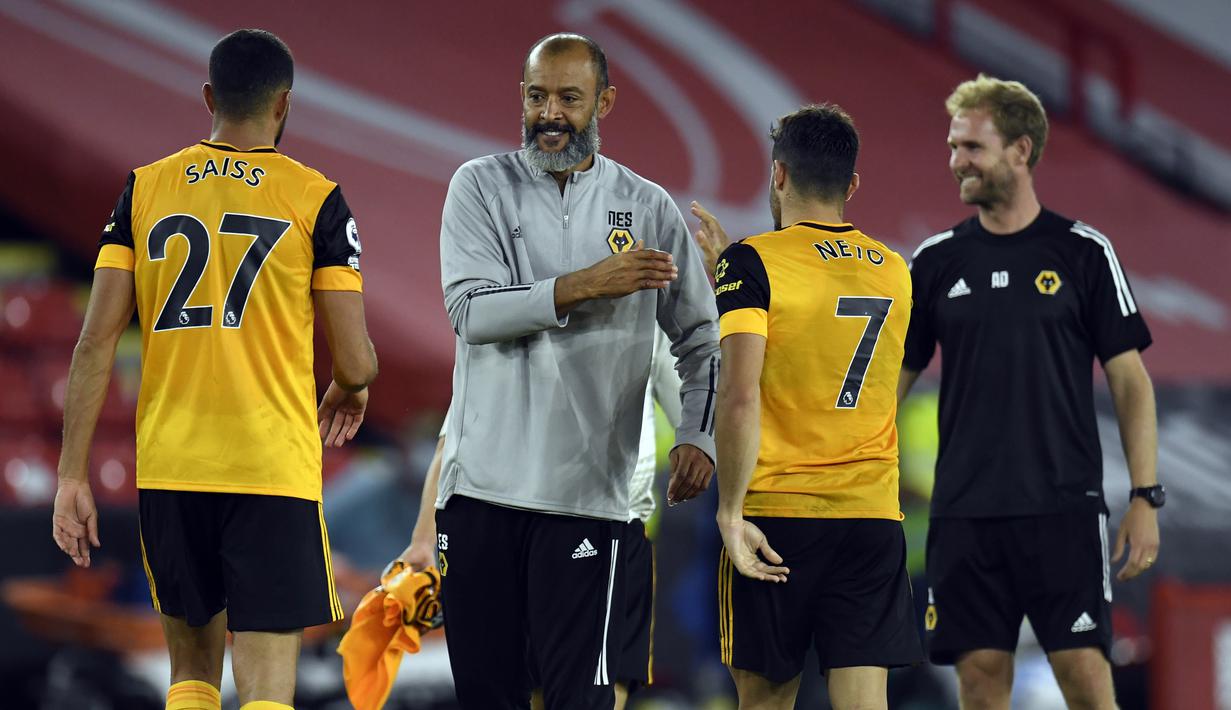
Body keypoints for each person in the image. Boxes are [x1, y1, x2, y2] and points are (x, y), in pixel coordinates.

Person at [50, 29, 376, 710]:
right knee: (266, 689)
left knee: (191, 677)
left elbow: (94, 343)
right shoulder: (315, 198)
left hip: (173, 466)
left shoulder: (144, 189)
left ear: (209, 97)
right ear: (283, 104)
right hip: (269, 467)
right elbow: (354, 359)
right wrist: (350, 386)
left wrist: (72, 474)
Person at [434, 32, 719, 709]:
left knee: (583, 701)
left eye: (568, 97)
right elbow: (470, 311)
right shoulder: (478, 185)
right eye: (537, 97)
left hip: (591, 502)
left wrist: (697, 434)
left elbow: (701, 338)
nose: (550, 114)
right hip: (480, 497)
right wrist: (587, 284)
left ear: (605, 102)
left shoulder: (647, 207)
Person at [899, 74, 1161, 710]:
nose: (957, 161)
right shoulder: (934, 262)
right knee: (980, 681)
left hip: (1063, 509)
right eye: (953, 146)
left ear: (1021, 150)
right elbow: (890, 385)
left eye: (972, 147)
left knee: (1085, 678)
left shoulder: (1084, 253)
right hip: (964, 513)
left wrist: (1145, 496)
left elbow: (1130, 381)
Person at [712, 104, 923, 710]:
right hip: (871, 517)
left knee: (766, 701)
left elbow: (740, 394)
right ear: (851, 185)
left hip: (777, 515)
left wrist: (729, 512)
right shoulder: (895, 270)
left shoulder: (753, 261)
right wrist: (731, 276)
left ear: (778, 175)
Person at [397, 329, 682, 710]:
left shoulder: (642, 315)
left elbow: (692, 409)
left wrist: (422, 540)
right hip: (571, 522)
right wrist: (421, 542)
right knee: (579, 685)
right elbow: (455, 438)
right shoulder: (511, 321)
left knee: (586, 685)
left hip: (605, 520)